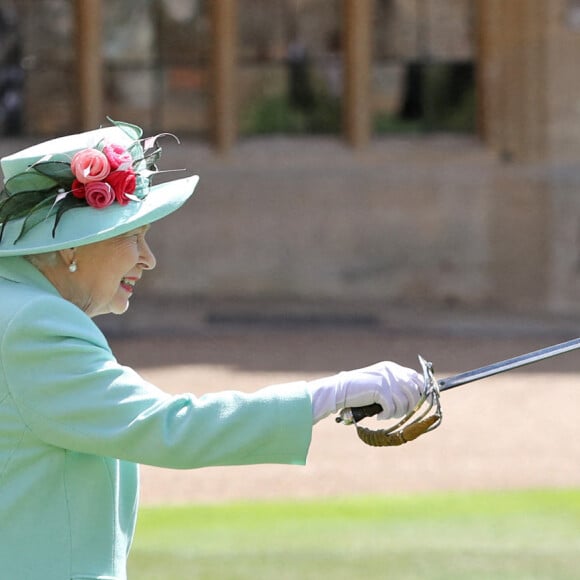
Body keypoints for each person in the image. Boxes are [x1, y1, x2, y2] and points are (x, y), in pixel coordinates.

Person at [0, 119, 425, 579]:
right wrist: (333, 393)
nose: (148, 258)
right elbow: (169, 427)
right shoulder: (36, 324)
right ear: (70, 248)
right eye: (133, 236)